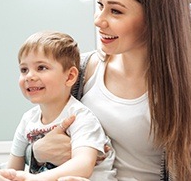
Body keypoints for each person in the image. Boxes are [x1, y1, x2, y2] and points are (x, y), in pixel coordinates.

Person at [0, 0, 191, 180]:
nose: (98, 20)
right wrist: (35, 152)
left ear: (155, 17)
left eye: (115, 11)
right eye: (100, 5)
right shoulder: (81, 70)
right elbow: (37, 132)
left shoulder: (190, 90)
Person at [7, 31, 116, 180]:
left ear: (70, 76)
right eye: (24, 69)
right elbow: (11, 169)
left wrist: (35, 178)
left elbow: (83, 166)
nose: (29, 76)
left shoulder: (80, 117)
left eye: (41, 68)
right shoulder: (27, 120)